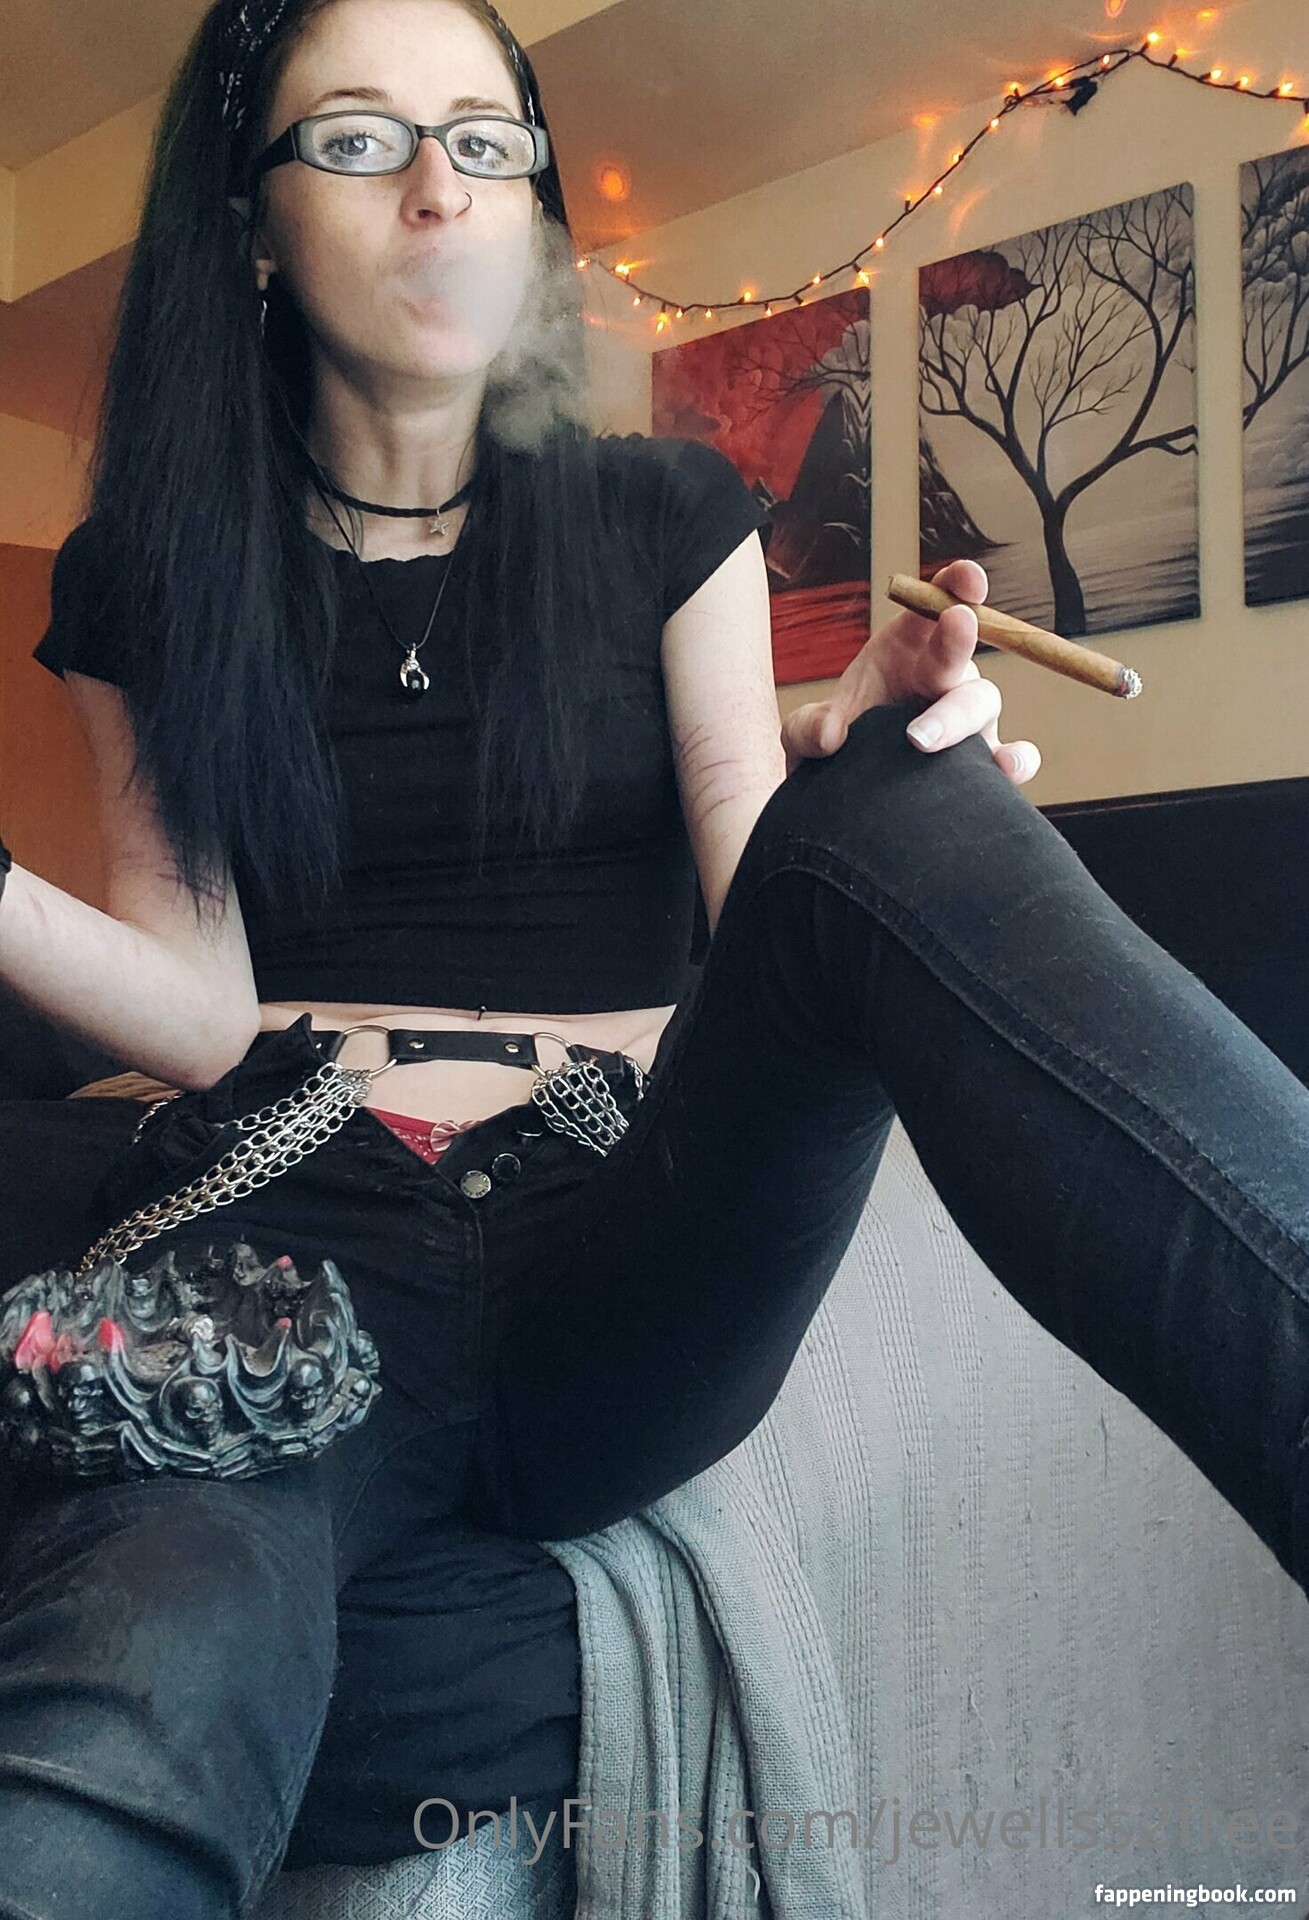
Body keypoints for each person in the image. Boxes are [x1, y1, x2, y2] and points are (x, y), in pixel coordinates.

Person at [1, 0, 1308, 1915]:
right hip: (296, 1218)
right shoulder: (147, 576)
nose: (441, 190)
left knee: (907, 786)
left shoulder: (663, 512)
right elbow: (198, 1007)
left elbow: (748, 876)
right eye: (359, 139)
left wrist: (859, 755)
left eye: (486, 140)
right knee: (141, 1660)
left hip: (630, 1200)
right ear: (253, 219)